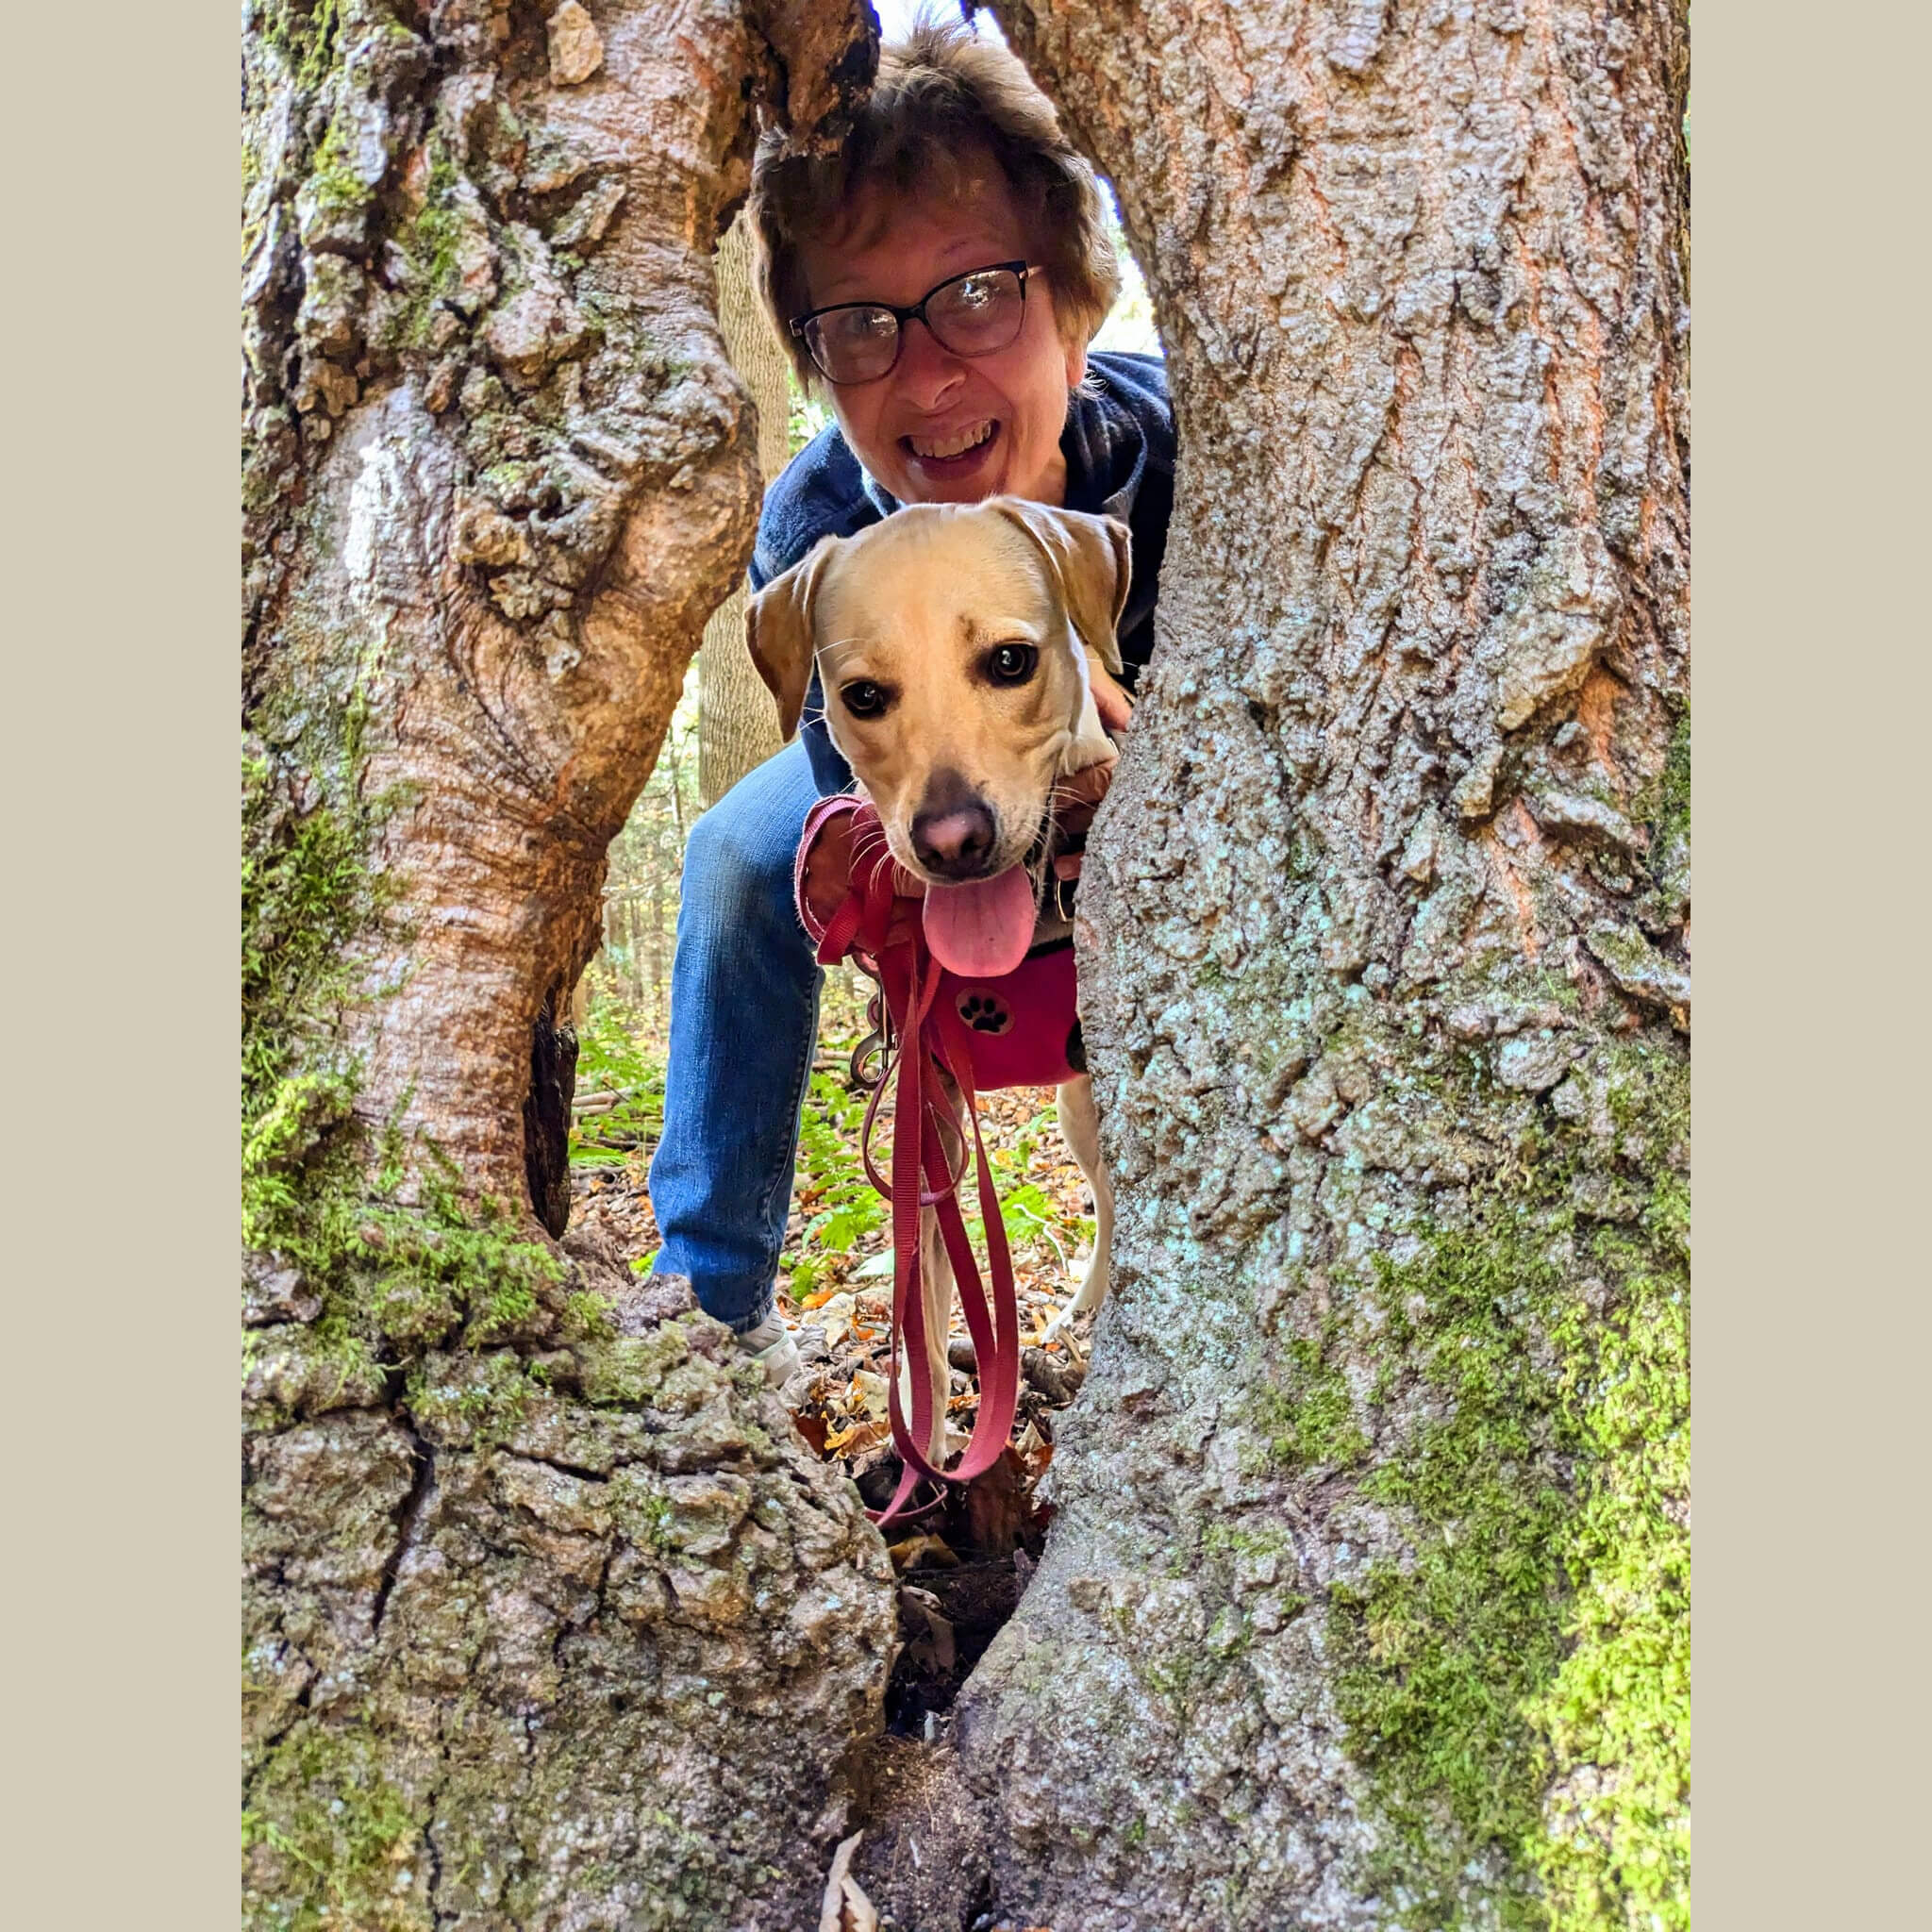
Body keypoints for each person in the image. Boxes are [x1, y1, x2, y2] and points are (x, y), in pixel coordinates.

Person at [648, 18, 1175, 1380]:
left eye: (981, 295)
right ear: (817, 367)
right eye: (861, 328)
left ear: (1078, 307)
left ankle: (1174, 1277)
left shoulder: (1192, 459)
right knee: (734, 858)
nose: (929, 376)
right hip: (937, 772)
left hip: (1172, 764)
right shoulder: (814, 530)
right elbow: (846, 760)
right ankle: (705, 1309)